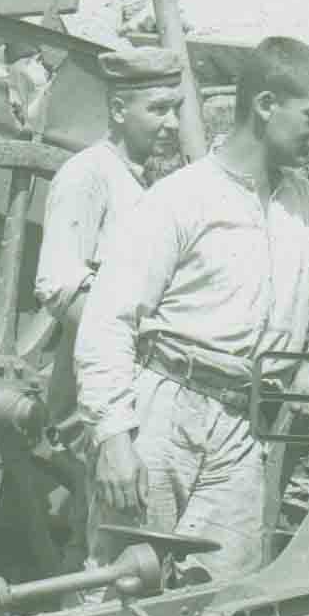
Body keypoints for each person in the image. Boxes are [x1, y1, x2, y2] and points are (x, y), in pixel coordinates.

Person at [78, 35, 309, 586]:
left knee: (225, 598)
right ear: (265, 105)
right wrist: (114, 437)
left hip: (244, 429)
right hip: (162, 420)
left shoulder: (301, 201)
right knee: (120, 590)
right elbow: (109, 320)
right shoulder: (179, 198)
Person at [32, 49, 189, 552]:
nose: (172, 123)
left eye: (176, 109)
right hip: (107, 383)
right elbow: (58, 285)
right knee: (118, 534)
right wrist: (129, 345)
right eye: (157, 109)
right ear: (119, 109)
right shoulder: (88, 175)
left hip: (159, 386)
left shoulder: (159, 180)